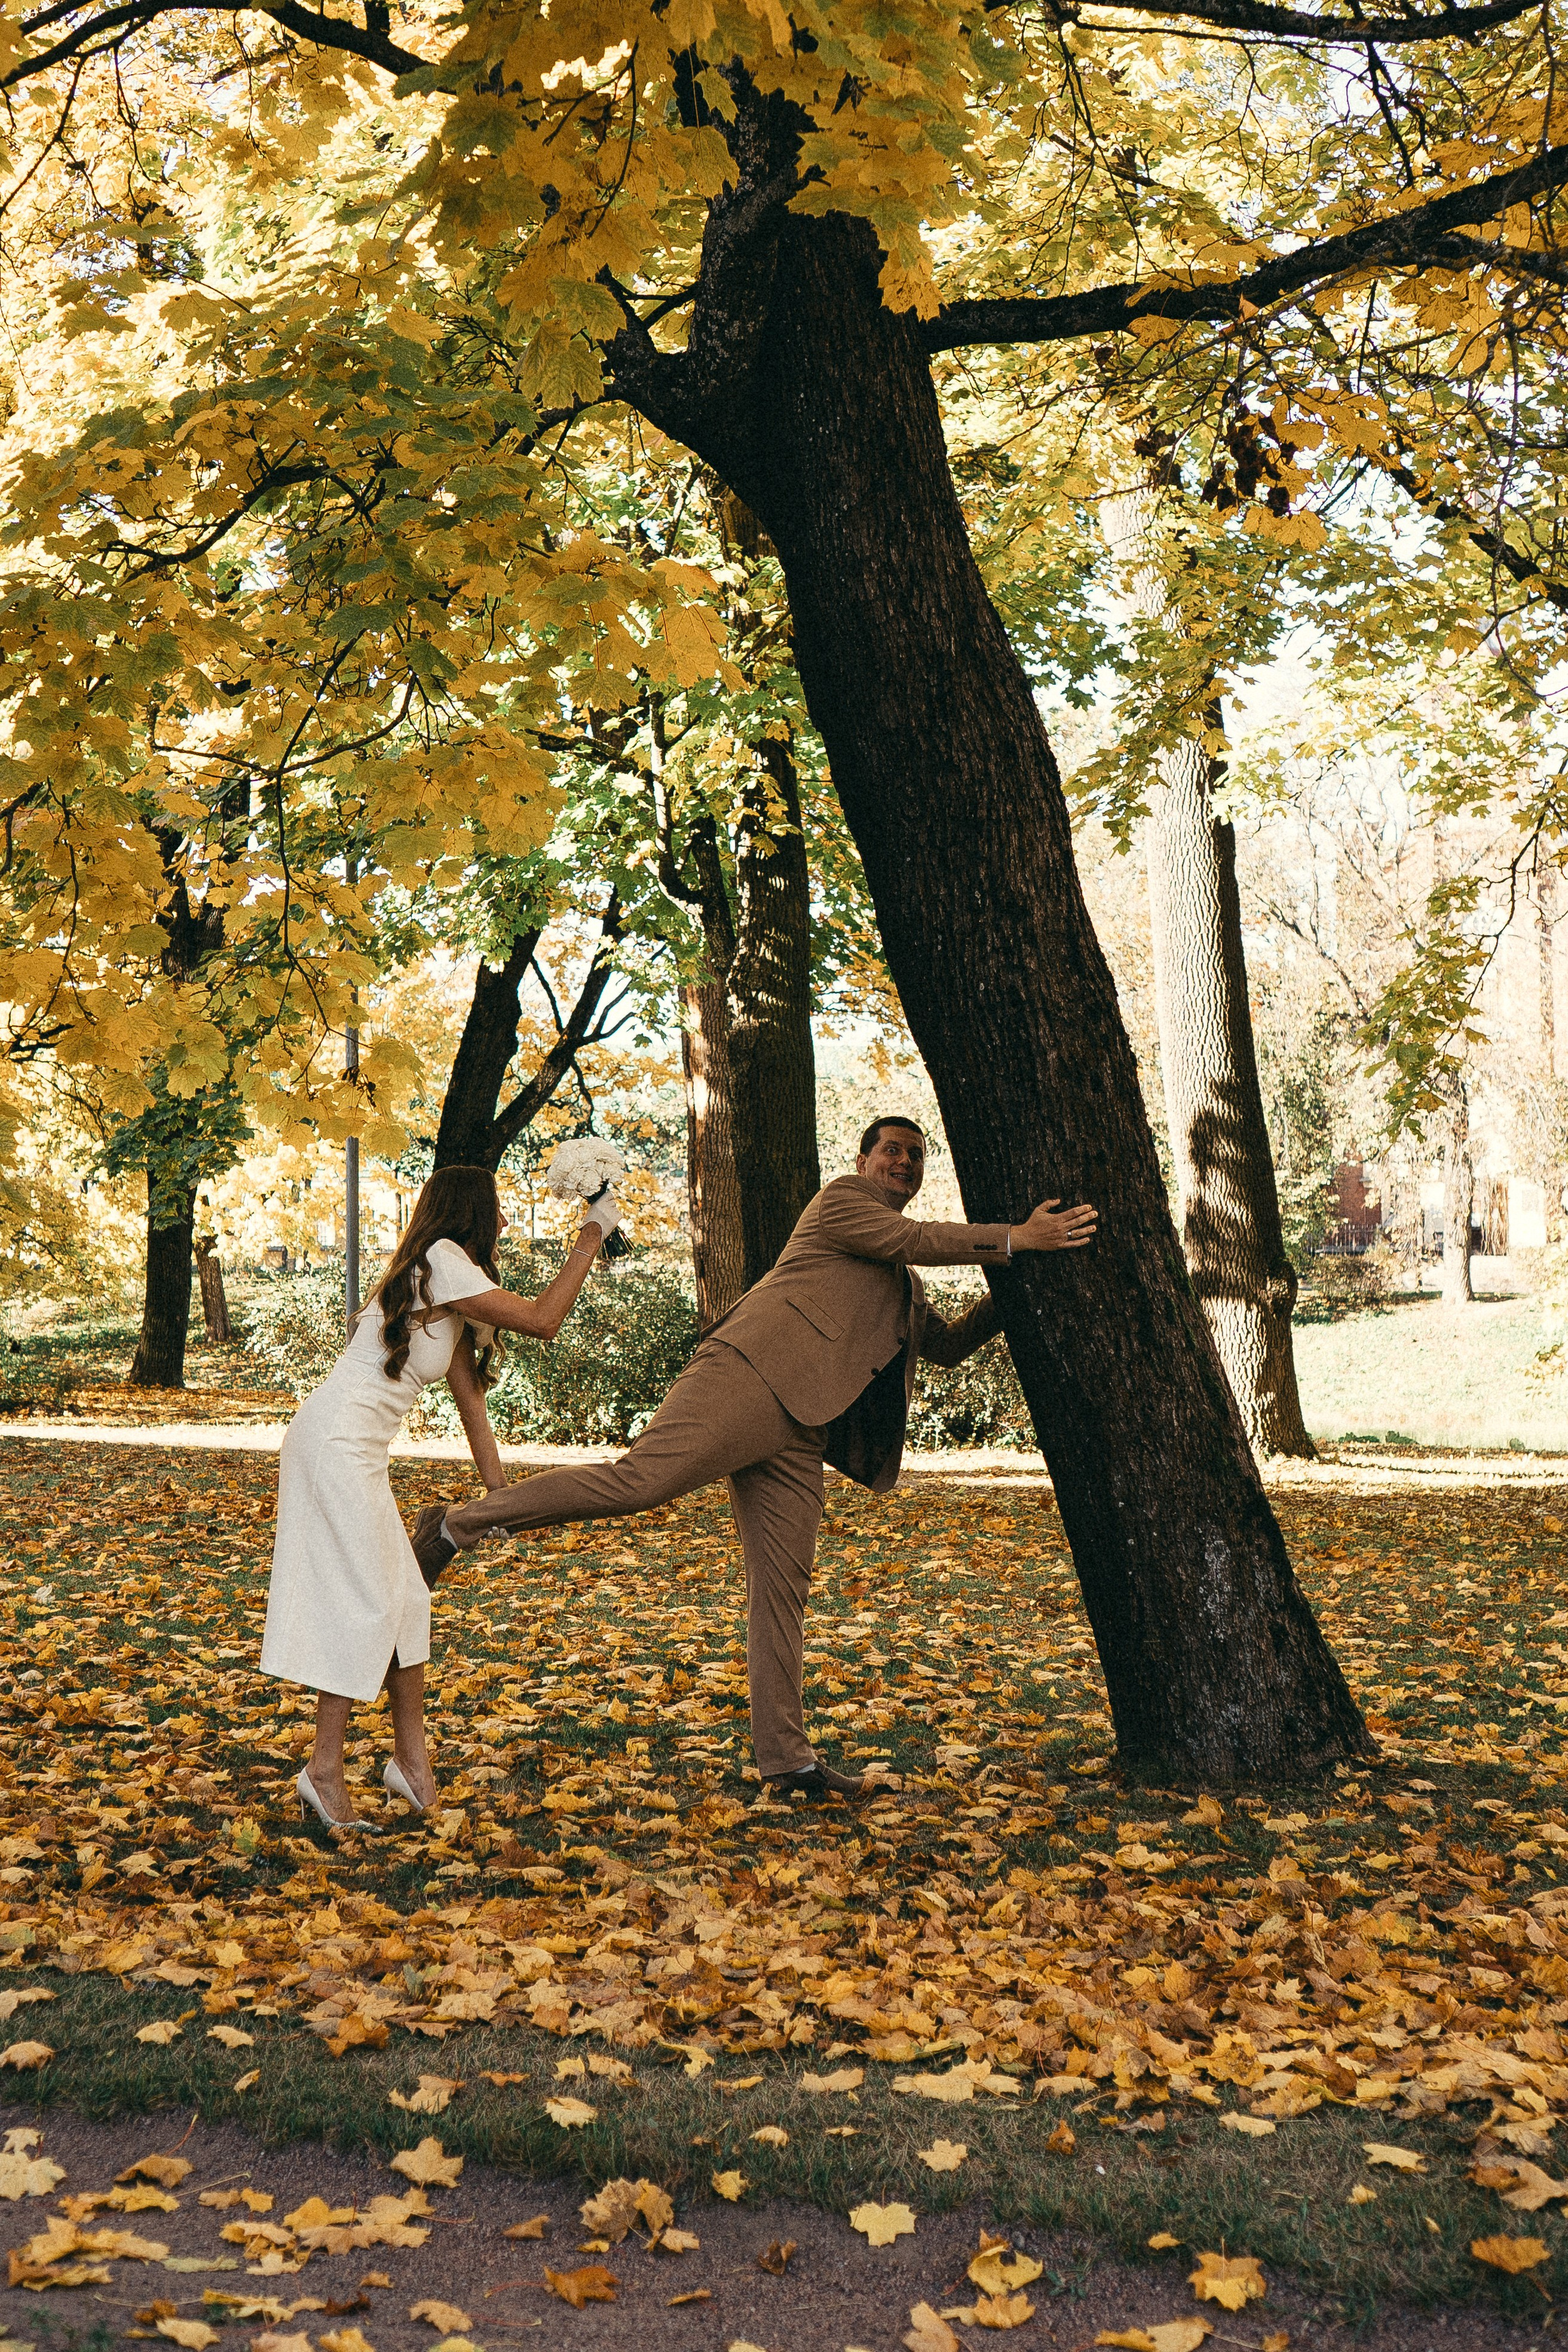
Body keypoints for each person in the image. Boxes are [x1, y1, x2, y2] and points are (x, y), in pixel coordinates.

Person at [411, 1120, 1096, 1800]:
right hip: (746, 1376)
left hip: (803, 1432)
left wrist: (1021, 1285)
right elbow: (912, 1236)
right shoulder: (841, 1204)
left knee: (782, 1590)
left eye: (916, 1155)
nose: (904, 1161)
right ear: (862, 1160)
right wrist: (1015, 1238)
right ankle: (456, 1525)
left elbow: (943, 1346)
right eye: (892, 1149)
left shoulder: (905, 1285)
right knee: (638, 1481)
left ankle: (787, 1761)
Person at [262, 1162, 619, 1829]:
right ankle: (323, 1770)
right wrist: (591, 1236)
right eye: (499, 1211)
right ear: (472, 1215)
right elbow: (545, 1320)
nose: (507, 1223)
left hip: (352, 1449)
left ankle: (410, 1764)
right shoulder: (441, 1258)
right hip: (333, 1444)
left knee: (409, 1601)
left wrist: (500, 1500)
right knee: (369, 1601)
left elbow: (471, 1403)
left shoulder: (449, 1285)